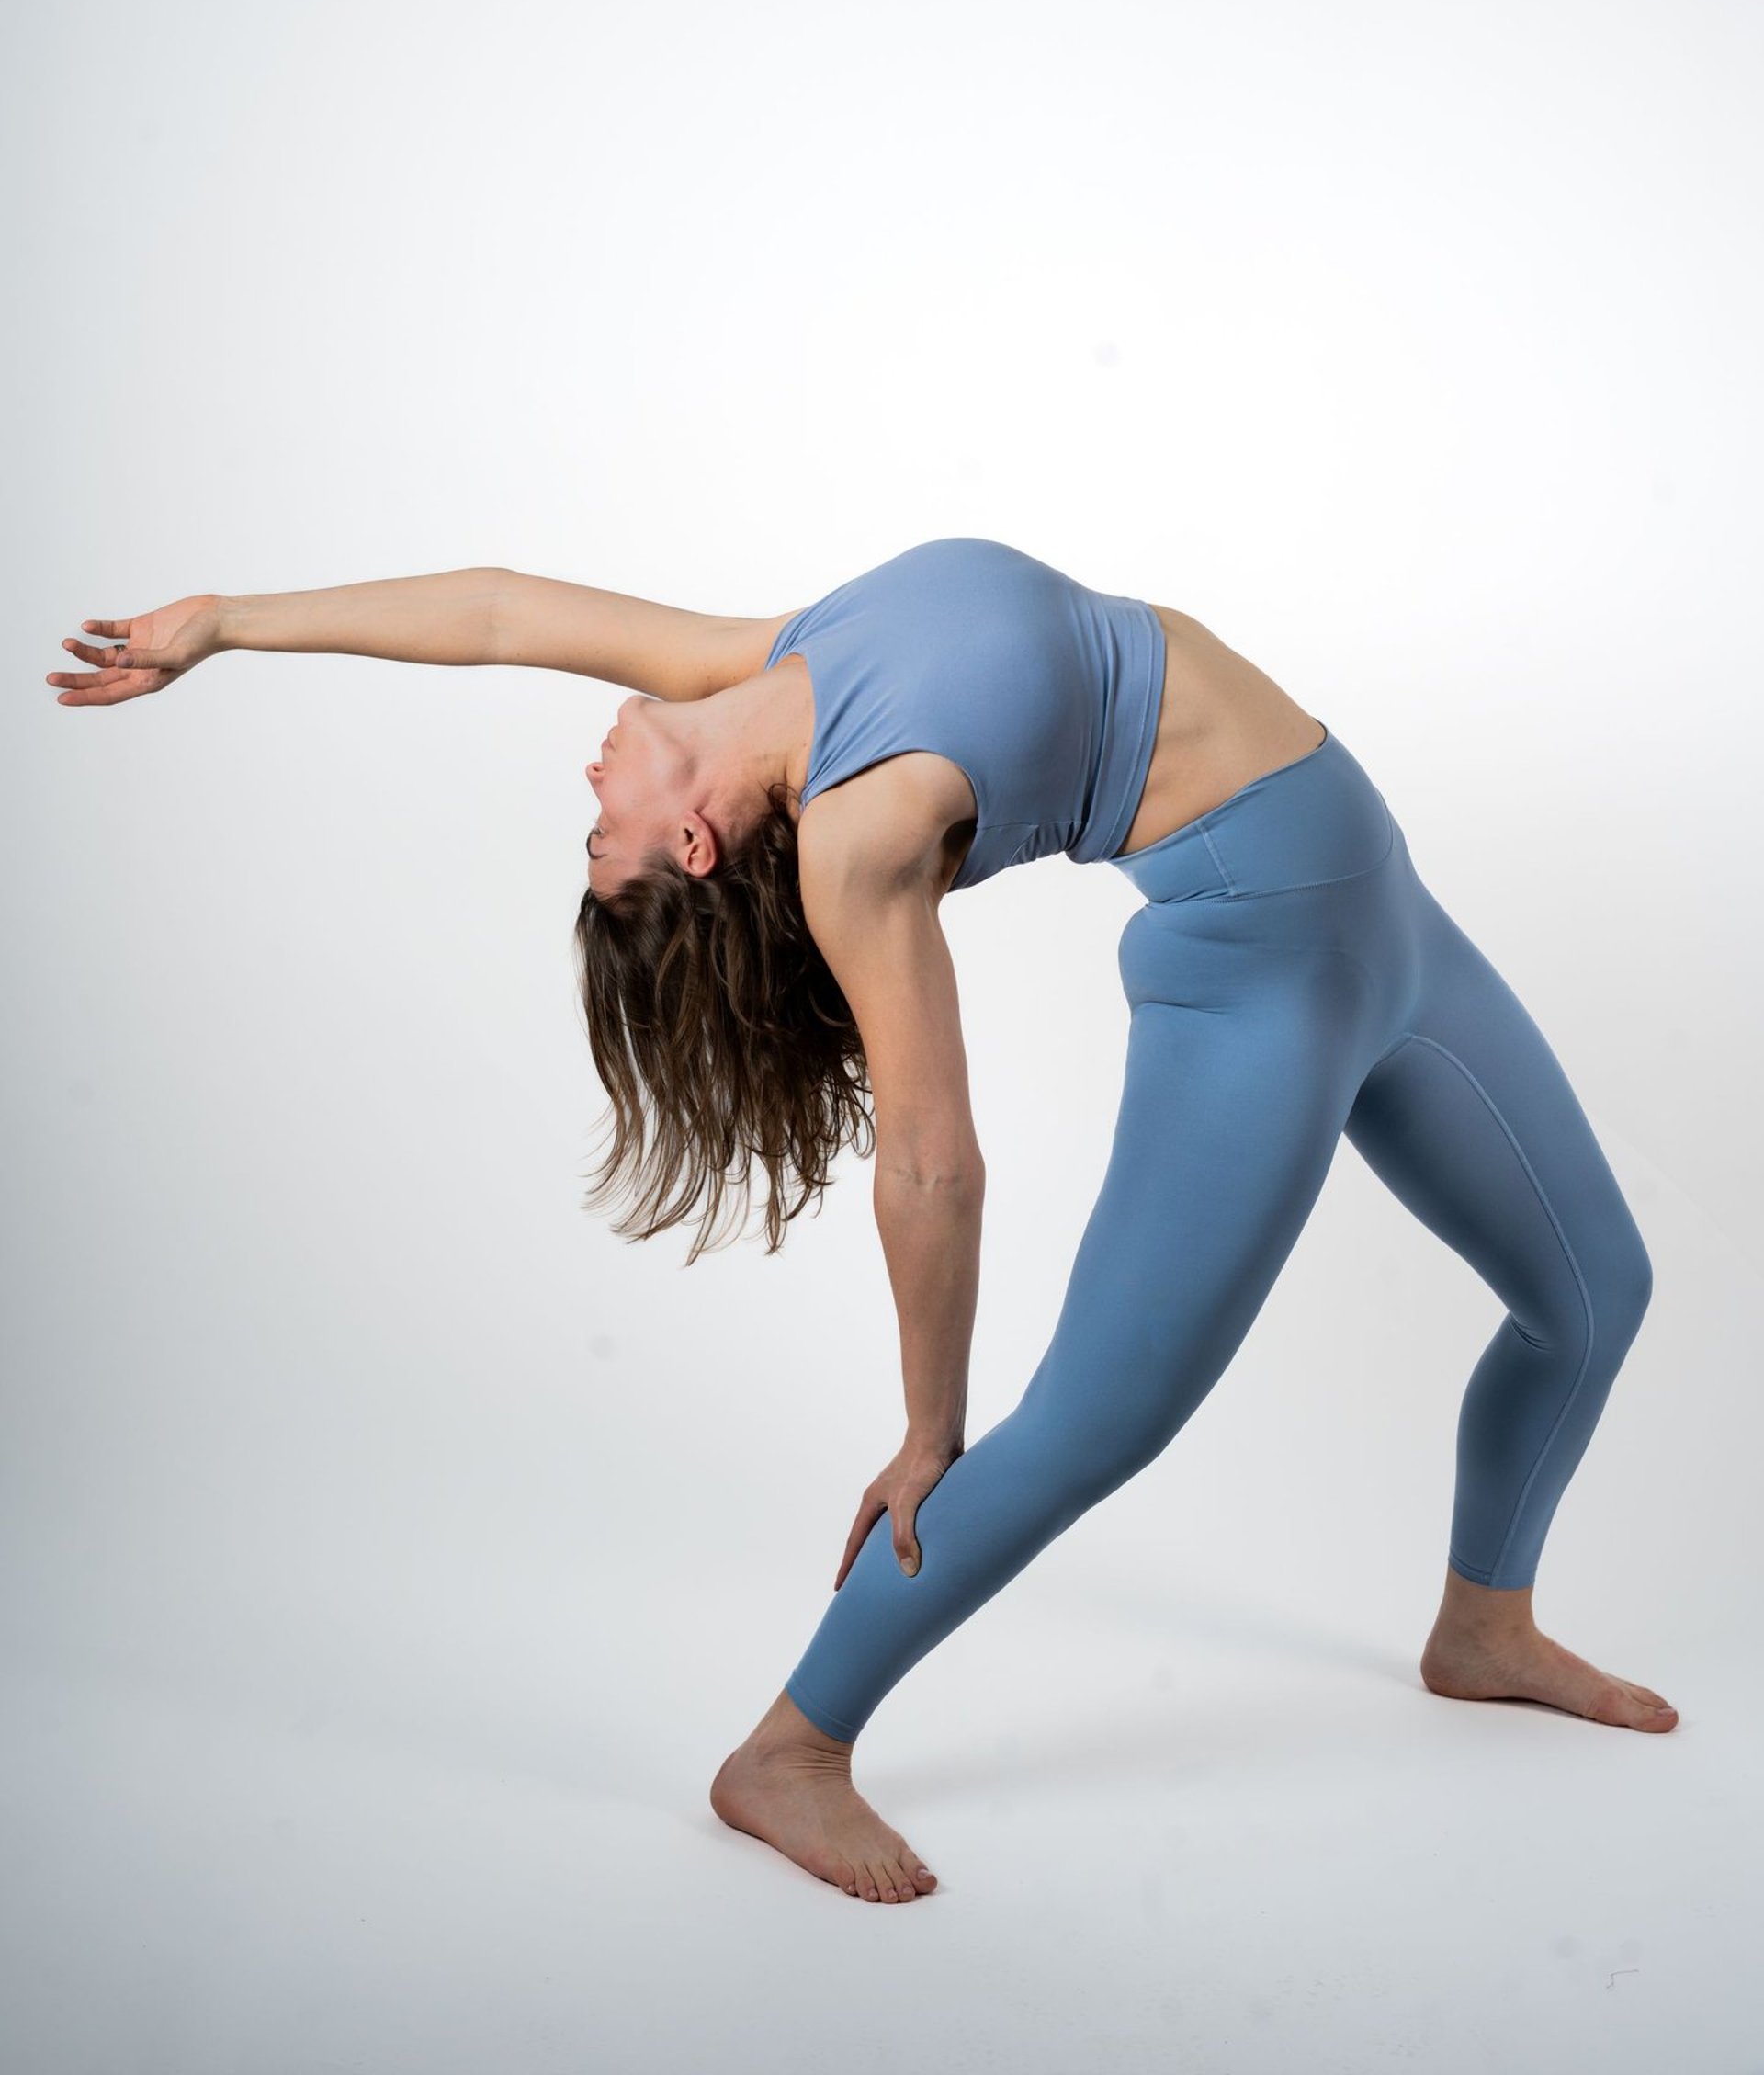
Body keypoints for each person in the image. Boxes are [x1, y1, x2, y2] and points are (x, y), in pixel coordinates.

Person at [48, 539, 1677, 1908]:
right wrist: (926, 1420)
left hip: (1389, 918)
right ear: (692, 844)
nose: (587, 776)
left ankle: (1486, 1626)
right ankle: (792, 1749)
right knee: (1098, 1423)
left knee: (1595, 1289)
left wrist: (232, 623)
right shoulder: (855, 830)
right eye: (597, 832)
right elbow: (929, 1156)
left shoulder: (784, 655)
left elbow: (496, 614)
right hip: (1264, 970)